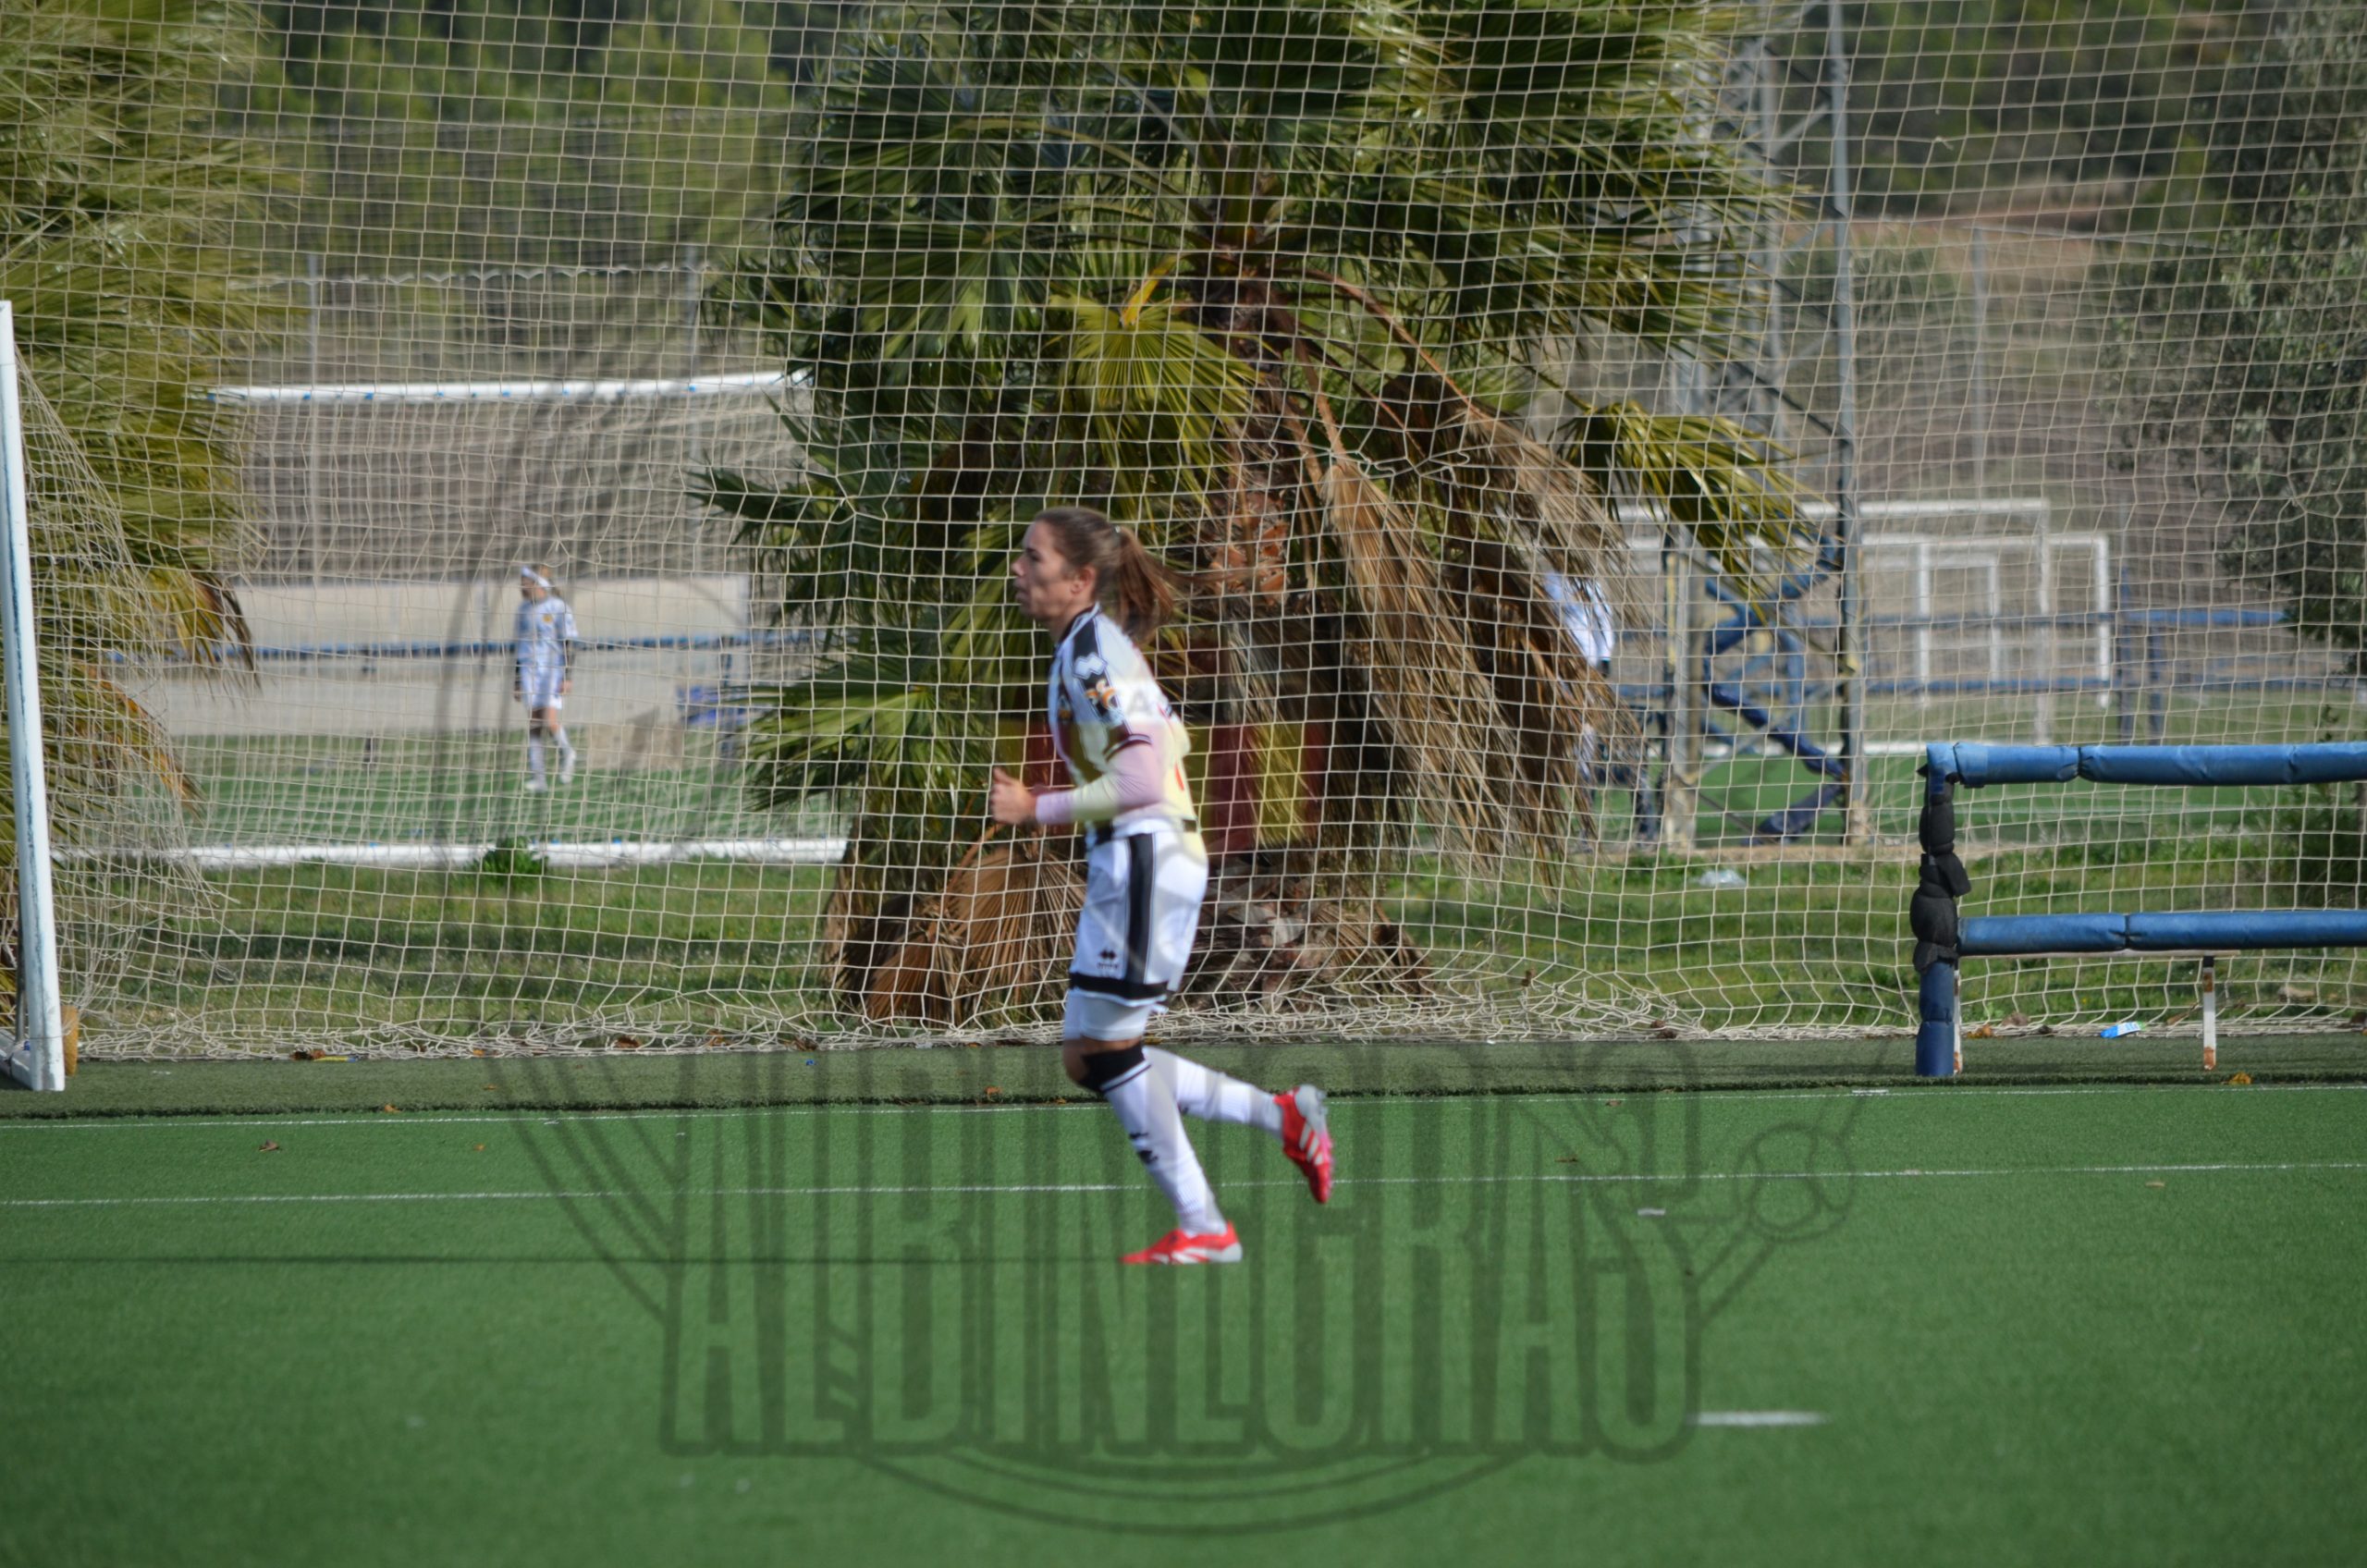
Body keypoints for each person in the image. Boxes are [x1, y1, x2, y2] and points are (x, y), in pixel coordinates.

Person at [989, 506, 1333, 1265]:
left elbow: (1142, 779)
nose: (1018, 569)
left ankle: (1207, 1226)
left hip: (1145, 863)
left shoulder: (1094, 658)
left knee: (1110, 1054)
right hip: (1132, 863)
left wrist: (1035, 808)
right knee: (1087, 1057)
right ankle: (1283, 1118)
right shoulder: (1091, 647)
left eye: (1034, 558)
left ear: (1080, 579)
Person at [513, 564, 578, 791]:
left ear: (538, 584)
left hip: (551, 670)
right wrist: (517, 680)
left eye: (525, 582)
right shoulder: (523, 610)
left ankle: (567, 752)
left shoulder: (558, 607)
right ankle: (539, 778)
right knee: (534, 723)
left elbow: (569, 643)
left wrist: (567, 676)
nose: (521, 587)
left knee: (548, 719)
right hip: (529, 670)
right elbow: (519, 647)